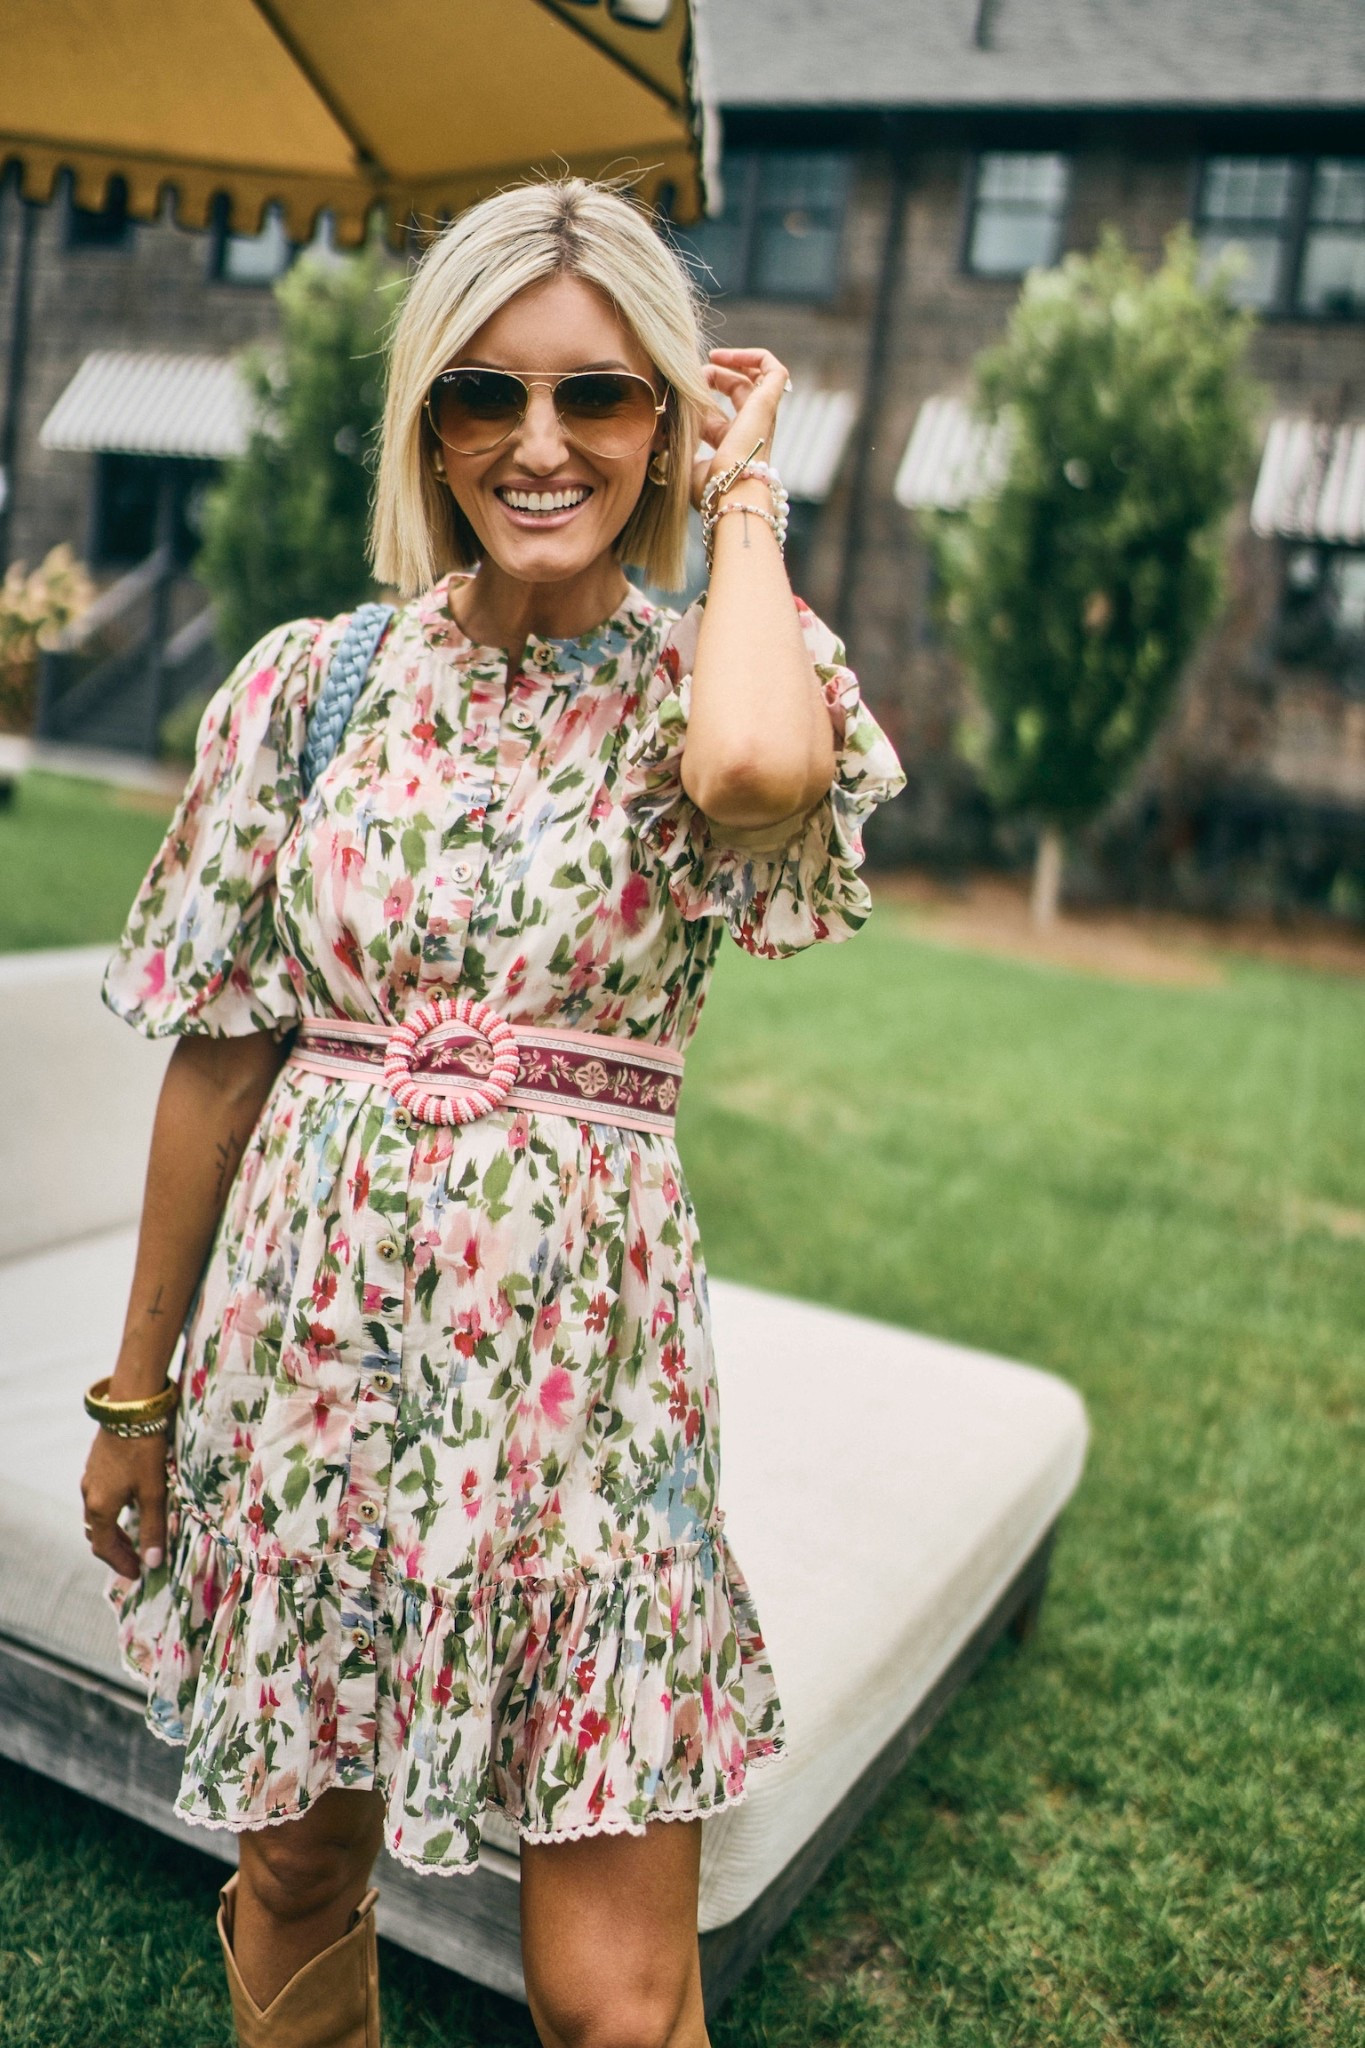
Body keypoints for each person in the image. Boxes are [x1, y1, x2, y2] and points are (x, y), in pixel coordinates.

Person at [80, 177, 905, 2048]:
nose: (537, 445)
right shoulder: (311, 689)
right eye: (485, 396)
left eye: (599, 398)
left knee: (610, 1998)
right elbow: (221, 1052)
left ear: (667, 416)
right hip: (305, 1387)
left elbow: (765, 775)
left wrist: (745, 496)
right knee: (298, 1873)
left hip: (580, 1417)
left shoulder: (721, 682)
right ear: (429, 424)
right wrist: (140, 1390)